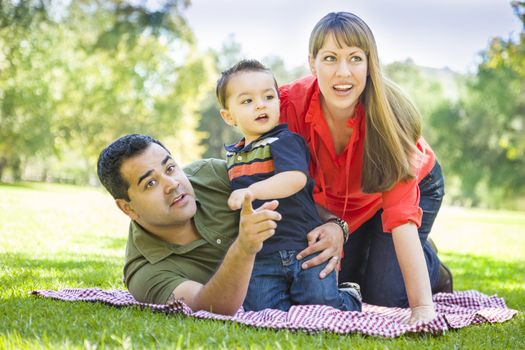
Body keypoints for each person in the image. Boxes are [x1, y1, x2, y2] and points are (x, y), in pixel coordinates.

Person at [278, 12, 453, 324]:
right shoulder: (288, 106)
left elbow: (400, 217)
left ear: (369, 63)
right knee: (339, 273)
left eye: (355, 58)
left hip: (412, 187)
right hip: (343, 205)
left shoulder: (389, 122)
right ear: (312, 63)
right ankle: (376, 254)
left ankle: (429, 263)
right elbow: (282, 185)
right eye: (330, 58)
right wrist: (336, 226)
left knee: (386, 294)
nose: (343, 72)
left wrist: (423, 311)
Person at [216, 59, 361, 312]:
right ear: (228, 116)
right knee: (263, 310)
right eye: (247, 101)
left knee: (320, 306)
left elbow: (295, 178)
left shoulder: (284, 140)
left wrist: (251, 192)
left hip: (304, 246)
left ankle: (349, 296)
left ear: (278, 103)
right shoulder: (234, 157)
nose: (260, 104)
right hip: (261, 255)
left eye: (268, 97)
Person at [96, 134, 283, 315]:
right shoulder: (144, 273)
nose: (172, 184)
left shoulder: (212, 175)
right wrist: (243, 248)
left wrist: (314, 225)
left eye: (170, 168)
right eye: (151, 183)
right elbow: (208, 307)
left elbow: (292, 189)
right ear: (127, 208)